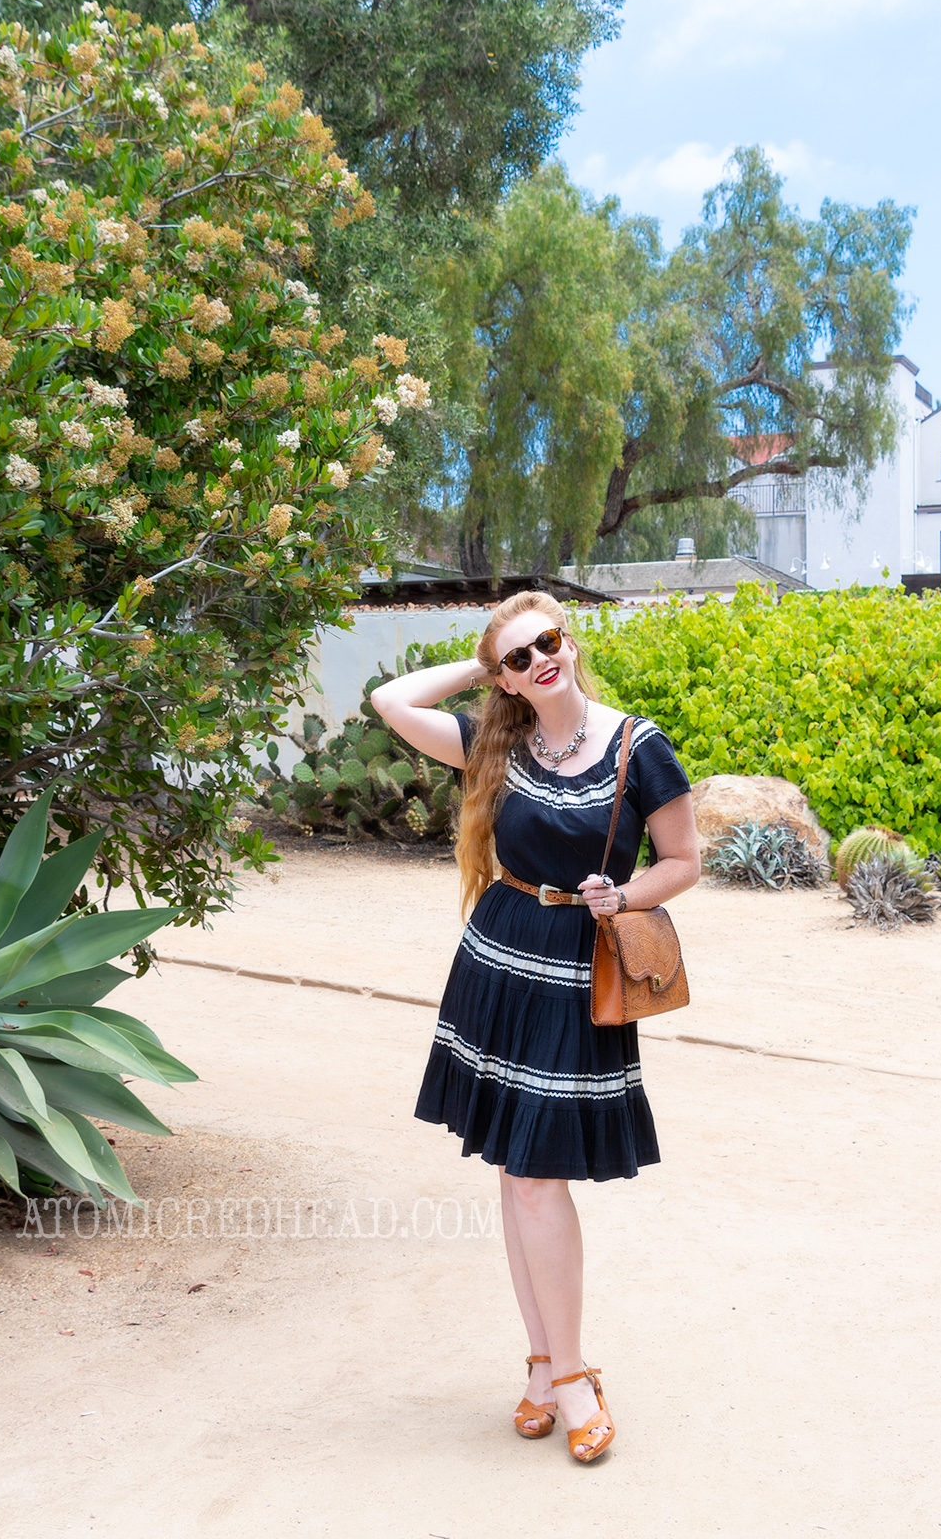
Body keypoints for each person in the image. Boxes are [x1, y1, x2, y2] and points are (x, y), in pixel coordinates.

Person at [371, 590, 700, 1463]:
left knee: (534, 1176)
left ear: (570, 641)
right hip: (497, 959)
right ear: (505, 679)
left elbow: (682, 861)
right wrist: (484, 667)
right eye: (517, 657)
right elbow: (390, 701)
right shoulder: (495, 743)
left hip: (577, 970)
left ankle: (569, 1372)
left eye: (546, 642)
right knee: (517, 1173)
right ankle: (549, 1367)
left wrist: (623, 894)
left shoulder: (638, 746)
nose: (538, 661)